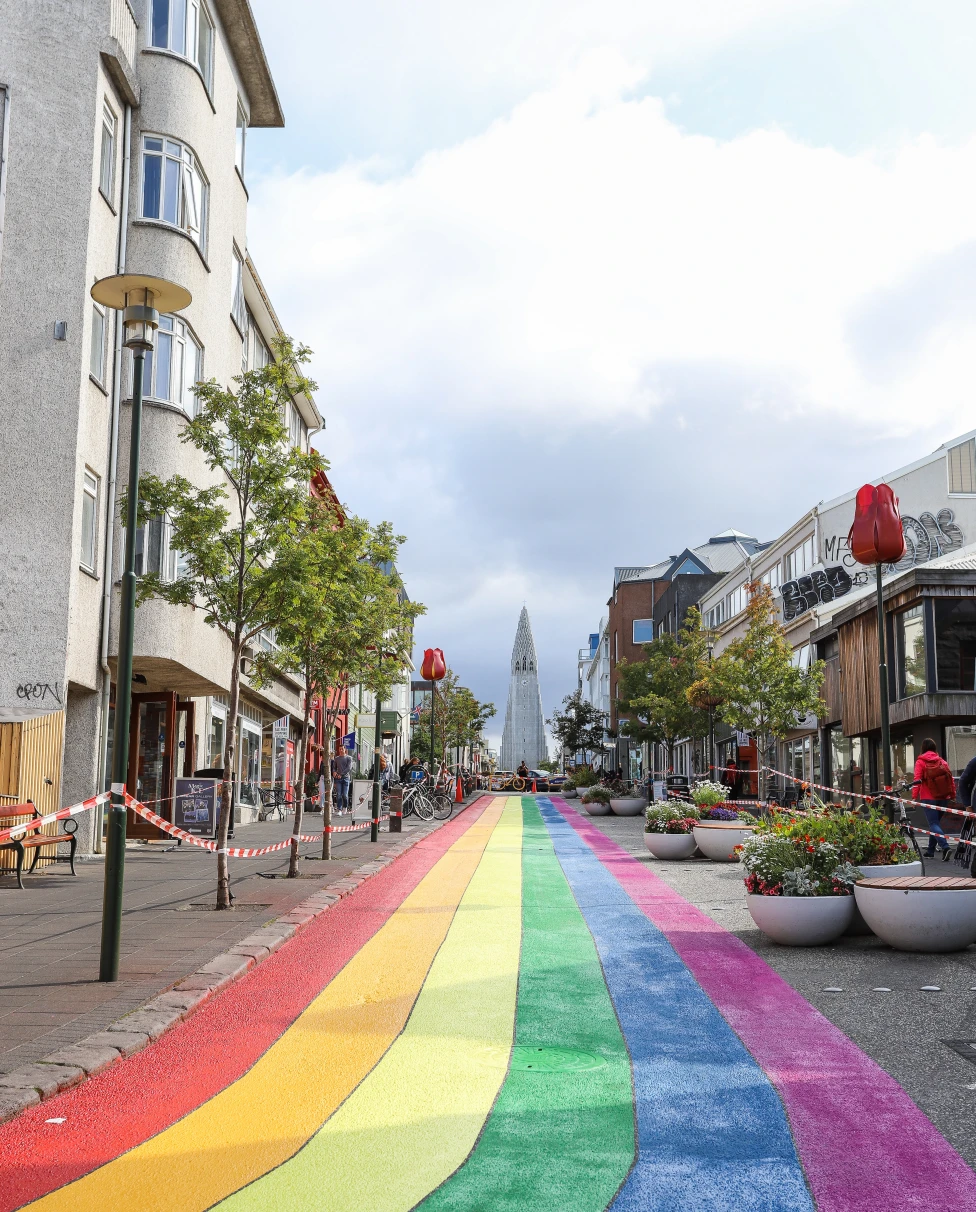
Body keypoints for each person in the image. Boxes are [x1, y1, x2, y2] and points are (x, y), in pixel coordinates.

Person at [911, 738, 954, 860]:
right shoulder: (942, 762)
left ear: (923, 748)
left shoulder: (921, 762)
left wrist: (914, 797)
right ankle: (930, 851)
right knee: (936, 824)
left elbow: (917, 780)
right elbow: (950, 780)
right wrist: (953, 795)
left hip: (928, 797)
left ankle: (945, 847)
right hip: (944, 797)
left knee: (934, 824)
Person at [335, 749, 354, 815]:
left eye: (342, 749)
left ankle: (345, 807)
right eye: (339, 749)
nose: (340, 750)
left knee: (345, 795)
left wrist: (341, 774)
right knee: (339, 794)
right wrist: (334, 772)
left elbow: (348, 768)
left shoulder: (348, 758)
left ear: (344, 750)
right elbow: (334, 767)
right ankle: (339, 809)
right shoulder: (336, 758)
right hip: (338, 779)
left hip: (346, 778)